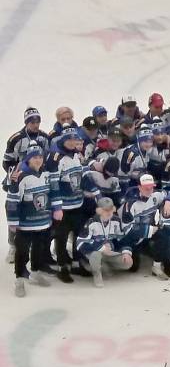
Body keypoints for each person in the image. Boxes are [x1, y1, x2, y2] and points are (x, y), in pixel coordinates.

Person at [6, 142, 58, 296]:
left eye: (40, 157)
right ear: (27, 159)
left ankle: (35, 272)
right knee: (22, 251)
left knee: (39, 248)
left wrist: (55, 210)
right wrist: (13, 222)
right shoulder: (20, 176)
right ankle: (20, 279)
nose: (38, 160)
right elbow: (12, 200)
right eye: (34, 157)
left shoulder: (46, 174)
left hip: (42, 221)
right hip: (25, 224)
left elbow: (52, 193)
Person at [46, 126, 89, 283]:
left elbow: (82, 176)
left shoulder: (77, 155)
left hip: (77, 204)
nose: (72, 142)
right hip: (63, 207)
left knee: (78, 235)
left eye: (75, 139)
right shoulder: (56, 158)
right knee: (61, 237)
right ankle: (62, 267)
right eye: (69, 139)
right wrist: (57, 207)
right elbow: (53, 184)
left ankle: (77, 263)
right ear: (63, 140)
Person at [76, 197, 133, 287]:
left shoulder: (116, 221)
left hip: (110, 253)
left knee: (128, 262)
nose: (109, 212)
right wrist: (101, 247)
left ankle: (105, 267)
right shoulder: (91, 222)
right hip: (95, 253)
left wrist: (126, 252)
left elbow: (122, 238)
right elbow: (80, 243)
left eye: (110, 209)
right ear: (99, 211)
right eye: (106, 210)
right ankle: (97, 274)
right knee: (95, 255)